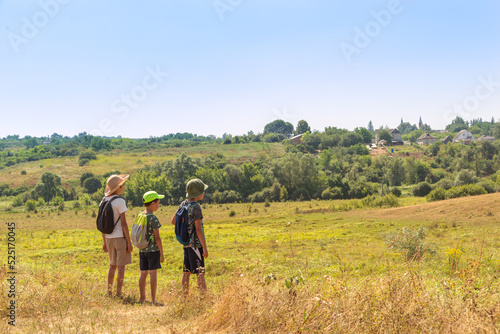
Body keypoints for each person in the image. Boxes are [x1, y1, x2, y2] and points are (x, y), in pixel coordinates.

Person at [171, 178, 209, 296]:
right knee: (200, 272)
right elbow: (198, 229)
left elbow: (173, 221)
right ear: (199, 193)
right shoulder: (196, 207)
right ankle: (204, 298)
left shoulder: (183, 204)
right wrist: (204, 247)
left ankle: (185, 296)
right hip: (196, 245)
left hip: (186, 244)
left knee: (186, 272)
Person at [101, 174, 133, 297]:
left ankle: (109, 292)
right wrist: (128, 243)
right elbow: (124, 224)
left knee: (112, 265)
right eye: (122, 185)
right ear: (118, 188)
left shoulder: (103, 201)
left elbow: (102, 224)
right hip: (120, 238)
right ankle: (118, 293)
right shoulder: (120, 201)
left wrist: (104, 241)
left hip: (108, 238)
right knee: (121, 267)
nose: (124, 187)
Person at [138, 191, 165, 305]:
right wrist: (162, 253)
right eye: (158, 202)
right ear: (153, 203)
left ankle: (142, 298)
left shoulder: (141, 216)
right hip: (153, 250)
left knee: (143, 274)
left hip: (142, 250)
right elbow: (157, 238)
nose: (159, 205)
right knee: (153, 273)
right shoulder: (153, 218)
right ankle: (154, 299)